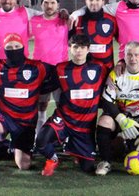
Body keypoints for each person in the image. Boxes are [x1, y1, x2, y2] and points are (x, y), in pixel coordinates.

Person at [0, 33, 54, 184]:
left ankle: (6, 146)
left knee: (24, 164)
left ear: (23, 47)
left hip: (26, 123)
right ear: (3, 49)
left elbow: (61, 71)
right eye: (9, 47)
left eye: (17, 47)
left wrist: (44, 90)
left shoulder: (37, 67)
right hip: (5, 117)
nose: (13, 50)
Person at [35, 34, 106, 176]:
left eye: (82, 47)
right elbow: (46, 87)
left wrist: (121, 63)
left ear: (88, 49)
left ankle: (72, 147)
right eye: (75, 47)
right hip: (64, 119)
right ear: (70, 49)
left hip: (85, 126)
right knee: (41, 141)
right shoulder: (60, 69)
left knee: (87, 167)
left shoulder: (100, 68)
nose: (79, 51)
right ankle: (53, 159)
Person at [94, 41, 139, 176]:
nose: (133, 59)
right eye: (129, 55)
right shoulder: (116, 74)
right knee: (104, 121)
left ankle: (125, 144)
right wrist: (121, 119)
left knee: (130, 151)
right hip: (121, 119)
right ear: (124, 57)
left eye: (137, 55)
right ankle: (105, 161)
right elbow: (107, 101)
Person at [30, 0, 69, 134]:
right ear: (41, 5)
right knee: (41, 105)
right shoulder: (34, 20)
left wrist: (66, 13)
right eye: (46, 2)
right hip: (40, 70)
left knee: (61, 105)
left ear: (58, 5)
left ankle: (62, 137)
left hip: (60, 70)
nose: (49, 5)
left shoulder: (65, 20)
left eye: (52, 2)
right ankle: (38, 138)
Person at [71, 0, 117, 70]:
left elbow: (121, 40)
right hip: (83, 69)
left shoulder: (111, 20)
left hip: (106, 68)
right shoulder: (77, 20)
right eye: (91, 0)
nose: (94, 2)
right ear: (86, 1)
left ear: (103, 2)